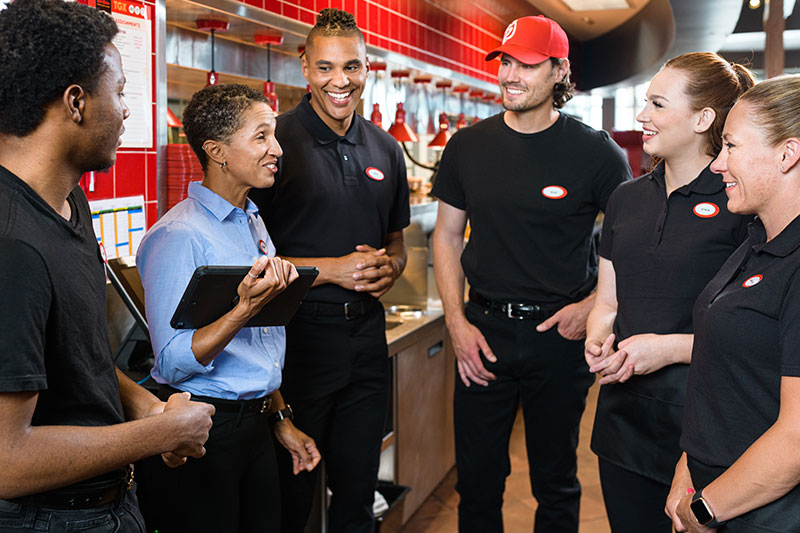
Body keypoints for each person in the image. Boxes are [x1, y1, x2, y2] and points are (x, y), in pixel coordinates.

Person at [0, 0, 214, 530]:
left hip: (109, 503)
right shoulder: (12, 245)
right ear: (76, 103)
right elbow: (7, 461)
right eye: (119, 93)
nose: (125, 111)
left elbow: (81, 358)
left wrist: (149, 408)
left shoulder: (71, 204)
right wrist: (160, 435)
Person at [431, 15, 631, 533]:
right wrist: (456, 323)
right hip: (483, 332)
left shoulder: (597, 153)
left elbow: (632, 244)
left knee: (556, 482)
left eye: (527, 63)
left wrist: (591, 308)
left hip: (559, 340)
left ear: (559, 71)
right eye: (505, 61)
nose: (510, 75)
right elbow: (447, 236)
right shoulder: (466, 147)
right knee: (476, 484)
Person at [249, 8, 409, 532]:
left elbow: (397, 243)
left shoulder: (387, 147)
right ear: (304, 67)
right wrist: (332, 270)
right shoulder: (275, 143)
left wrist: (390, 269)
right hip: (297, 343)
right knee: (290, 495)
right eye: (326, 67)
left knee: (359, 491)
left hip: (366, 338)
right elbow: (246, 257)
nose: (340, 81)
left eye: (353, 67)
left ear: (368, 68)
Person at [135, 84, 320, 532]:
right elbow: (174, 363)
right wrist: (242, 310)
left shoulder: (252, 219)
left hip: (255, 426)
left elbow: (262, 345)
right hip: (203, 432)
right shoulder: (178, 236)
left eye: (273, 135)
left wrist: (280, 417)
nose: (276, 149)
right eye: (261, 136)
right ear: (217, 150)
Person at [583, 53, 755, 532]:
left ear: (703, 119)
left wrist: (669, 349)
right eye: (645, 102)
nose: (642, 116)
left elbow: (758, 339)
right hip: (623, 420)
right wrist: (598, 339)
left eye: (657, 104)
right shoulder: (626, 198)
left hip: (706, 426)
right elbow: (609, 302)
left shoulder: (742, 203)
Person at [664, 75, 800, 532]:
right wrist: (689, 467)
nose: (718, 164)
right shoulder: (758, 239)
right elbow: (722, 375)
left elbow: (797, 440)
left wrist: (706, 508)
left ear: (788, 154)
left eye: (732, 147)